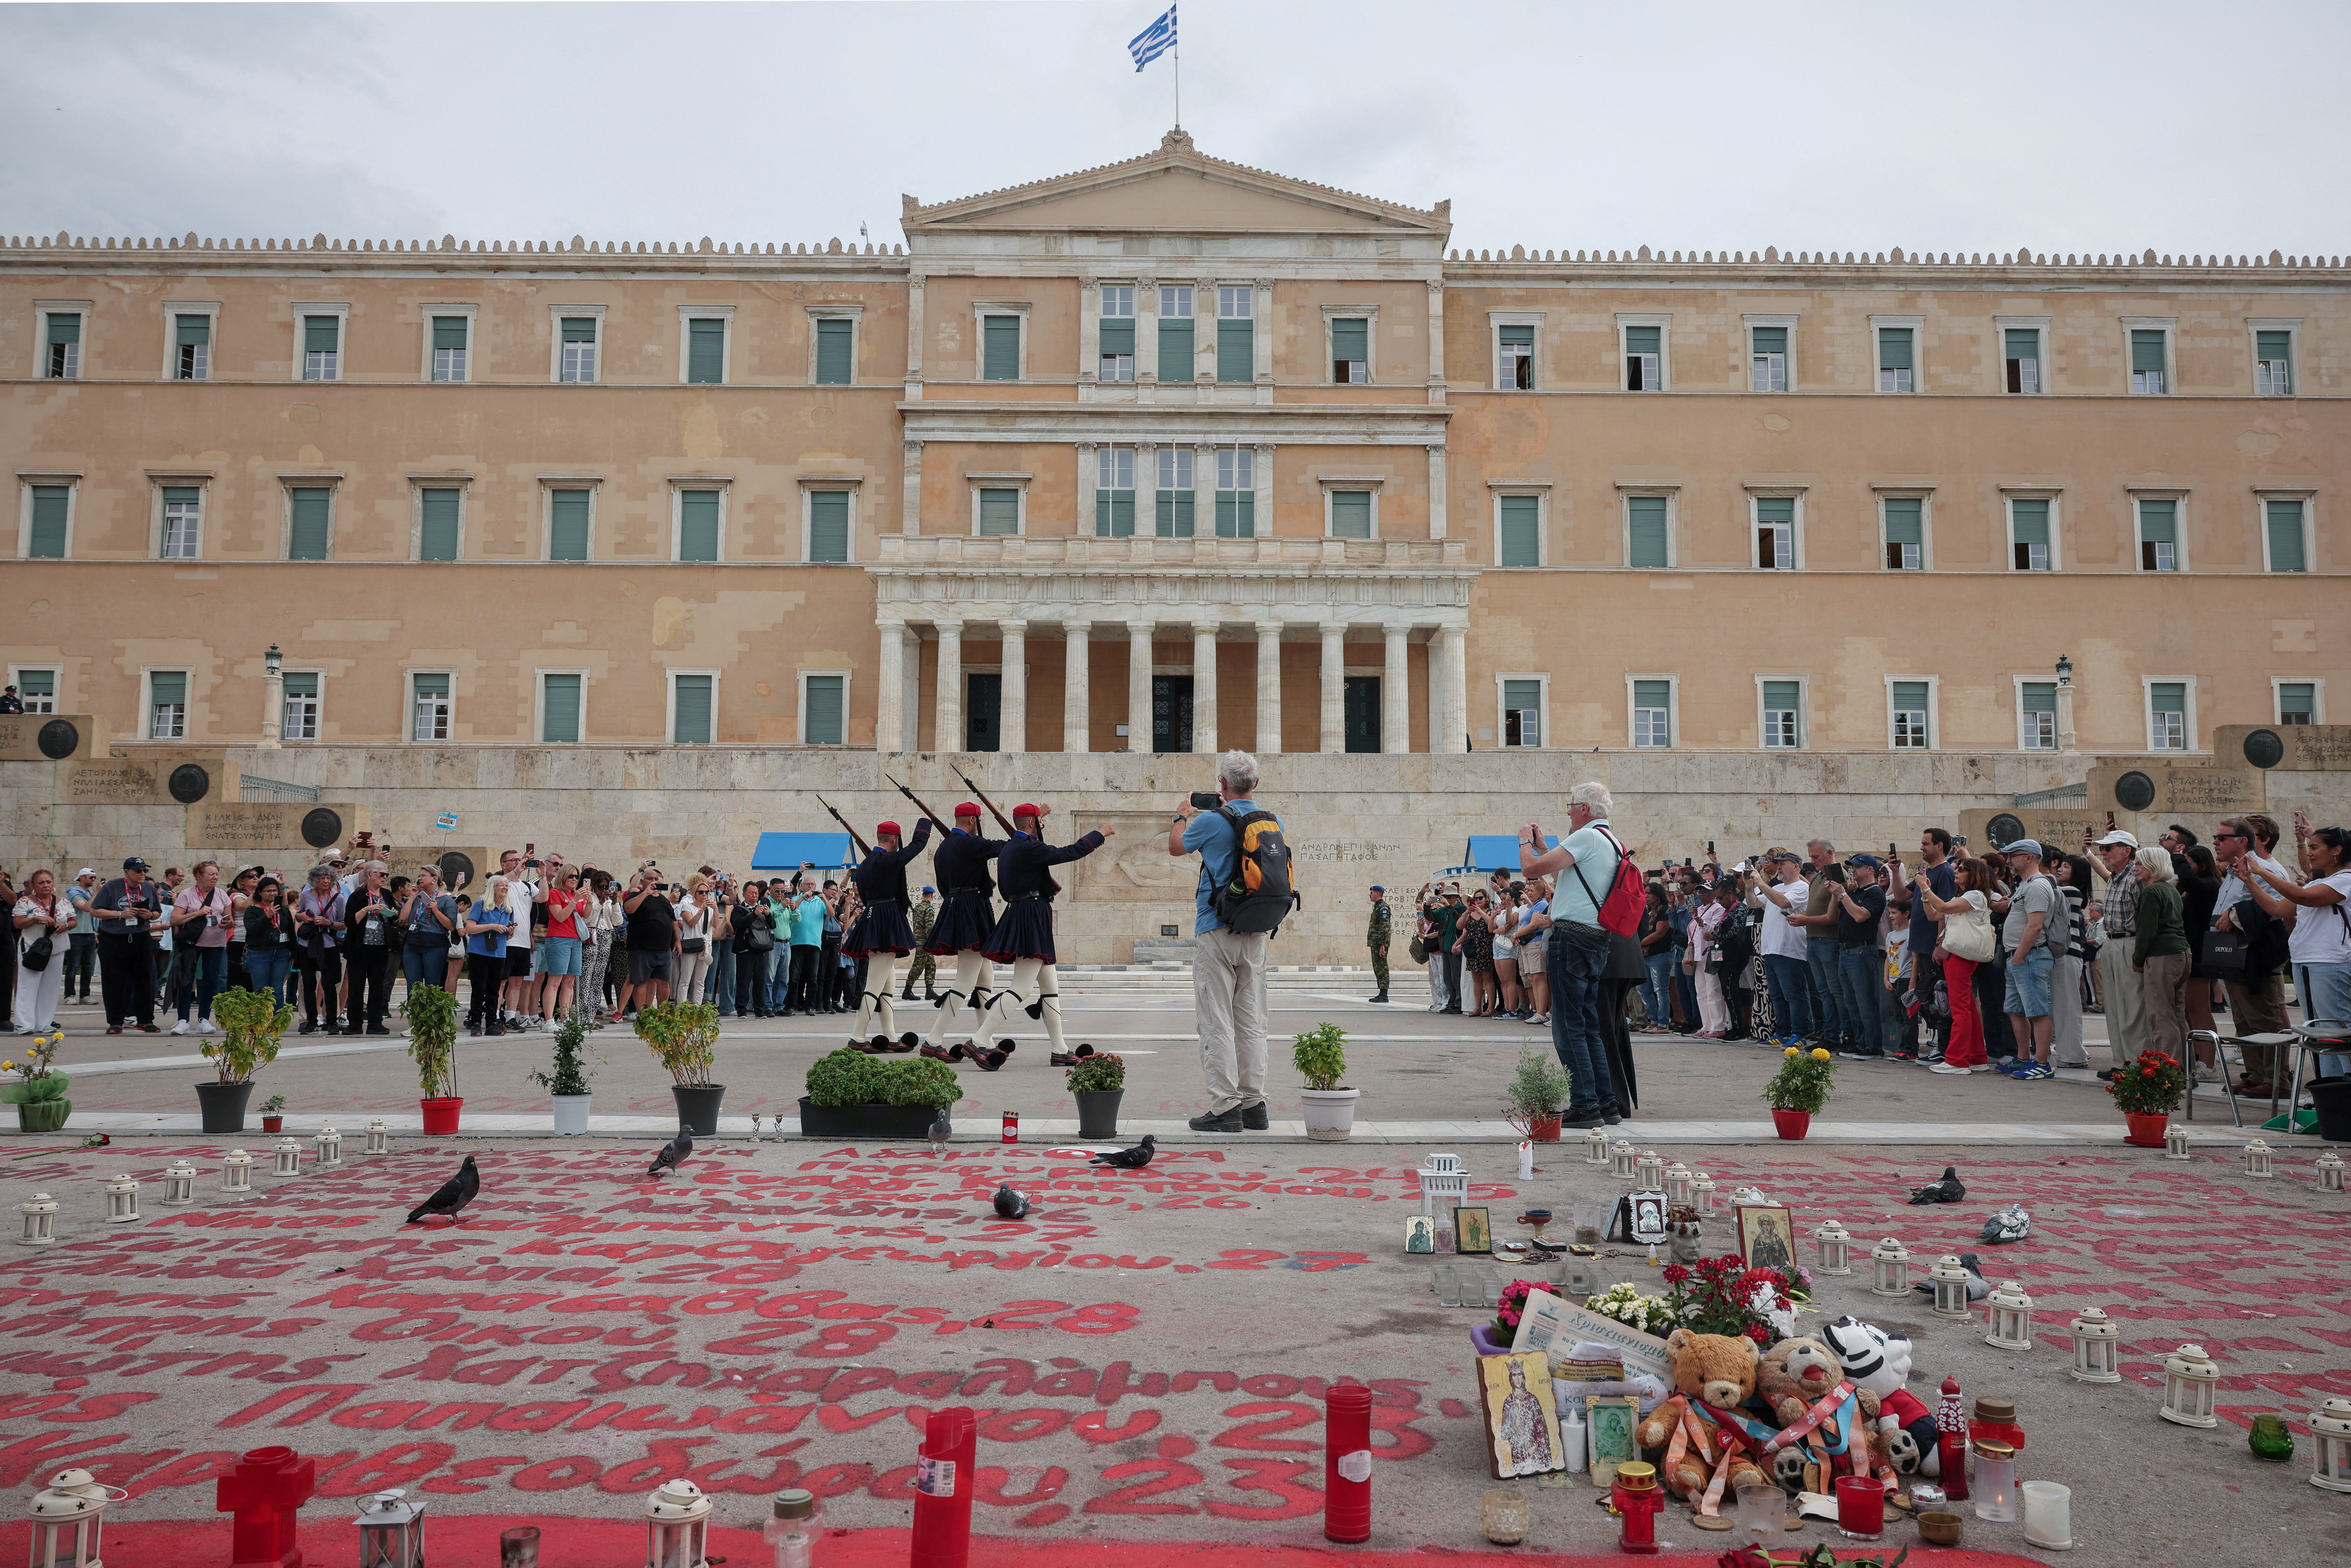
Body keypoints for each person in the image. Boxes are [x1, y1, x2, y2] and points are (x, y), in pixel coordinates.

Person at [1169, 751, 1278, 1129]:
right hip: (1256, 929)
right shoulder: (1271, 821)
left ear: (1223, 784)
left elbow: (1176, 846)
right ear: (1256, 784)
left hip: (1216, 928)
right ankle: (1254, 1105)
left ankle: (1225, 1107)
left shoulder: (1212, 820)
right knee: (1251, 1022)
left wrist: (1182, 815)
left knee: (1216, 1020)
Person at [1518, 780, 1626, 1130]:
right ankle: (1604, 1101)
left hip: (1572, 938)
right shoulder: (1609, 840)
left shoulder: (1585, 837)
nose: (1567, 812)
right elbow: (1569, 873)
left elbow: (1531, 870)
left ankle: (1584, 1103)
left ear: (1584, 808)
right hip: (1595, 938)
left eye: (1570, 805)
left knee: (1568, 1025)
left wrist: (1524, 842)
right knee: (1588, 1024)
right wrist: (1544, 847)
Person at [973, 801, 1111, 1065]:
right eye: (1039, 822)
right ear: (1033, 823)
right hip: (1032, 917)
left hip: (1023, 912)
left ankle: (1060, 1049)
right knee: (1022, 988)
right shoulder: (1030, 848)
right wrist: (1100, 834)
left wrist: (1041, 814)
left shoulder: (1010, 848)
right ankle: (979, 1039)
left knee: (1050, 989)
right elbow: (1069, 852)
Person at [2211, 814, 2293, 1093]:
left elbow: (2280, 906)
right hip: (2234, 953)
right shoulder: (2233, 871)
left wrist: (2235, 916)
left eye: (2222, 838)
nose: (2216, 842)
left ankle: (2276, 1080)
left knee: (2265, 1019)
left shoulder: (2265, 869)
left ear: (2242, 841)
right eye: (2216, 837)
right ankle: (2256, 1075)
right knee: (2244, 1020)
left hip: (2257, 956)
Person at [844, 816, 935, 1046]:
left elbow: (866, 896)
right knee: (874, 986)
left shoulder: (865, 865)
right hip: (886, 921)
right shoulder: (888, 860)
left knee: (887, 987)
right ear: (894, 839)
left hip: (874, 917)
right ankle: (857, 1036)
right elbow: (918, 846)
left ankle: (891, 1037)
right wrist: (926, 823)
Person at [2255, 820, 2351, 1030]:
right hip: (2304, 959)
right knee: (2315, 1028)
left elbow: (2304, 898)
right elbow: (2278, 909)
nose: (2309, 853)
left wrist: (2262, 872)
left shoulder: (2346, 880)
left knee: (2336, 1027)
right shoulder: (2317, 883)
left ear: (2336, 851)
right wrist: (2249, 880)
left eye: (2314, 848)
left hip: (2330, 961)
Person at [1921, 856, 1994, 1074]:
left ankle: (1957, 1061)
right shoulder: (1964, 896)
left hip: (1960, 956)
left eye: (1962, 869)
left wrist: (1925, 887)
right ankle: (1977, 1057)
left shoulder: (1974, 895)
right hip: (1959, 954)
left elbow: (1942, 906)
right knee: (1967, 1006)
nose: (1956, 871)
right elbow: (1935, 915)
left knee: (1960, 1007)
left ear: (1974, 875)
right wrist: (1925, 894)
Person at [1996, 839, 2062, 1080]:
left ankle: (2042, 1063)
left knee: (2037, 1011)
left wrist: (2019, 957)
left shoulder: (2037, 885)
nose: (2009, 861)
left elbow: (2035, 926)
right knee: (2015, 1011)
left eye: (2013, 856)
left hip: (2030, 956)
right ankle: (2023, 1058)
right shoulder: (2026, 884)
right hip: (2020, 956)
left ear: (2030, 858)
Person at [2088, 829, 2149, 1068]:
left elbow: (2145, 920)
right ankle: (2120, 1062)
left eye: (2108, 848)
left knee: (2132, 1006)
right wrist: (2087, 853)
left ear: (2127, 851)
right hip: (2112, 942)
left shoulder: (2136, 878)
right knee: (2113, 1007)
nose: (2103, 853)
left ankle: (2137, 1064)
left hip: (2129, 942)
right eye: (2102, 849)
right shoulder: (2115, 878)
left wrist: (2141, 954)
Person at [2131, 845, 2192, 1065]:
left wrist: (2138, 960)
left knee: (2161, 1015)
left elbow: (2147, 931)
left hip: (2162, 956)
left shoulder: (2151, 892)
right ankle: (2186, 1069)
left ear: (2153, 866)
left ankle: (2168, 1071)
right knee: (2177, 1014)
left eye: (2139, 864)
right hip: (2182, 953)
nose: (2135, 868)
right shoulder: (2171, 890)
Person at [1825, 855, 1888, 1059]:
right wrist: (1835, 895)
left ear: (1870, 870)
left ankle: (1873, 1046)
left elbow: (1861, 916)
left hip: (1861, 951)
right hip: (1845, 951)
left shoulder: (1875, 893)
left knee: (1865, 1001)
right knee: (1851, 1002)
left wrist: (1843, 894)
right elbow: (1833, 917)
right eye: (1852, 867)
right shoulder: (1854, 893)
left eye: (1857, 867)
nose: (1853, 870)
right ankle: (1860, 1043)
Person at [1789, 839, 1846, 1052]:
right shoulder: (1818, 877)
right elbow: (1814, 908)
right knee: (1823, 991)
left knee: (1834, 990)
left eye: (1816, 857)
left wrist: (1805, 920)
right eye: (1811, 857)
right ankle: (1830, 1034)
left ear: (1830, 853)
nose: (1813, 861)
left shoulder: (1837, 876)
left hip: (1828, 940)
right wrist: (1800, 917)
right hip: (1813, 939)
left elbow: (1835, 916)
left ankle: (1839, 1035)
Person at [1753, 851, 1813, 1046]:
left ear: (1796, 867)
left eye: (1782, 864)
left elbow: (1784, 903)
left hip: (1790, 949)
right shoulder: (1777, 887)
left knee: (1793, 995)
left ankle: (1799, 1034)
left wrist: (1761, 883)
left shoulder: (1802, 887)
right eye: (1777, 864)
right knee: (1777, 995)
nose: (1778, 868)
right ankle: (1782, 1033)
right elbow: (1754, 903)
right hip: (1771, 948)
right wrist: (1748, 886)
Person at [167, 860, 232, 1037]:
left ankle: (204, 1020)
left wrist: (228, 924)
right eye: (211, 874)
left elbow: (229, 919)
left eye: (217, 874)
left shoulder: (222, 895)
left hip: (216, 944)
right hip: (191, 944)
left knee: (211, 982)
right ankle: (183, 1020)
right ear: (199, 877)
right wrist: (197, 913)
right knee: (187, 980)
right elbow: (174, 920)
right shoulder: (187, 894)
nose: (215, 878)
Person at [12, 869, 74, 1036]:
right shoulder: (25, 902)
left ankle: (44, 1023)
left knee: (51, 986)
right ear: (33, 886)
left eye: (49, 882)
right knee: (28, 985)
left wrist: (65, 926)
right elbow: (18, 923)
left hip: (57, 947)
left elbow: (73, 921)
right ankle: (24, 1024)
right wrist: (35, 919)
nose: (46, 885)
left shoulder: (63, 902)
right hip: (32, 947)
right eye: (41, 883)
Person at [342, 860, 398, 1035]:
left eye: (386, 875)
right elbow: (350, 921)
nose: (385, 878)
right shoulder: (358, 896)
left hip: (380, 947)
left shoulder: (387, 894)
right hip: (359, 948)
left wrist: (393, 914)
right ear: (369, 874)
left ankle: (375, 1023)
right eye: (381, 874)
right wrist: (367, 909)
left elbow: (393, 919)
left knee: (377, 986)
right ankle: (355, 1024)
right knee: (357, 986)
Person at [292, 863, 348, 1035]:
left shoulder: (338, 898)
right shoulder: (306, 895)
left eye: (329, 878)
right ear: (315, 880)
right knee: (309, 984)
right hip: (308, 944)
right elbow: (299, 915)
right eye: (322, 878)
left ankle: (331, 1023)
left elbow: (343, 925)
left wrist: (328, 923)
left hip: (328, 945)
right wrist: (300, 916)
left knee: (330, 985)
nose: (326, 881)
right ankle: (311, 1022)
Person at [618, 867, 679, 1018]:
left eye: (656, 879)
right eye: (650, 879)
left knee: (664, 983)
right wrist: (646, 893)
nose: (654, 882)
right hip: (641, 948)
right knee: (641, 983)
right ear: (642, 881)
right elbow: (629, 909)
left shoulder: (663, 900)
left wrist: (678, 940)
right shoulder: (635, 895)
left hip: (663, 949)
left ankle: (663, 1014)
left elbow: (673, 920)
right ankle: (643, 1016)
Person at [463, 876, 515, 1035]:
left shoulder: (509, 909)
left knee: (495, 990)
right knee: (479, 989)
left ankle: (492, 1023)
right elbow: (470, 928)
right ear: (493, 887)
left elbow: (508, 936)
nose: (505, 888)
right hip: (479, 952)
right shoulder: (481, 905)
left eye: (507, 886)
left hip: (499, 953)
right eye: (501, 885)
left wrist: (511, 932)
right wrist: (492, 926)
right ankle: (476, 1022)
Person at [398, 865, 459, 998]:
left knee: (432, 984)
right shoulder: (418, 898)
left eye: (423, 876)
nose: (420, 879)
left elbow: (451, 926)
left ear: (434, 879)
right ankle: (415, 1010)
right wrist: (413, 897)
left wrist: (436, 911)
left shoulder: (447, 901)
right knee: (413, 985)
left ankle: (431, 1011)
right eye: (419, 876)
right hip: (413, 942)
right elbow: (403, 917)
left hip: (434, 944)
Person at [538, 867, 586, 1025]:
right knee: (555, 981)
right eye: (571, 876)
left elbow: (586, 916)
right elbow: (560, 917)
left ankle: (565, 1020)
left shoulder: (576, 895)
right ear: (563, 877)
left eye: (577, 877)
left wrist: (590, 901)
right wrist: (575, 901)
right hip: (559, 939)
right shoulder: (555, 893)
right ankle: (549, 1020)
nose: (574, 880)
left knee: (570, 982)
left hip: (576, 940)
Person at [240, 877, 296, 1003]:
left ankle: (278, 1016)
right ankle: (261, 1016)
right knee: (260, 990)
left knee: (277, 989)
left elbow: (291, 932)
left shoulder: (283, 910)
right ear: (260, 892)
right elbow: (252, 930)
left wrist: (294, 953)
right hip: (260, 954)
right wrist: (267, 916)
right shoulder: (253, 910)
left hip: (281, 953)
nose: (273, 894)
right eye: (269, 891)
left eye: (275, 891)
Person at [673, 873, 716, 1022]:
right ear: (695, 894)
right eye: (701, 892)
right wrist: (701, 910)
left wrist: (716, 909)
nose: (704, 895)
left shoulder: (710, 909)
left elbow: (715, 925)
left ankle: (697, 1010)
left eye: (707, 892)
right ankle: (681, 1010)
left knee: (700, 981)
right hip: (691, 944)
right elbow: (691, 923)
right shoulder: (687, 906)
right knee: (686, 979)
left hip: (706, 945)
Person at [62, 869, 98, 1004]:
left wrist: (95, 932)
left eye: (95, 877)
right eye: (91, 877)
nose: (94, 880)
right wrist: (97, 893)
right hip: (76, 934)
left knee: (88, 968)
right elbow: (86, 908)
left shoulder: (91, 893)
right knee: (73, 967)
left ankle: (85, 995)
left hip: (90, 934)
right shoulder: (74, 893)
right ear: (82, 878)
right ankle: (69, 995)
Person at [903, 886, 940, 1003]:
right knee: (918, 966)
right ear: (932, 896)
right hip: (925, 942)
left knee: (931, 965)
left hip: (919, 941)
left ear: (923, 895)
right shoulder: (929, 909)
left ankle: (930, 991)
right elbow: (929, 927)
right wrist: (932, 942)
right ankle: (907, 991)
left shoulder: (918, 907)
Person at [1365, 884, 1391, 1004]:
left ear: (1377, 894)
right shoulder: (1378, 907)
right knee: (1378, 968)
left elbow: (1385, 927)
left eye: (1372, 893)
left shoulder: (1383, 907)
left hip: (1380, 944)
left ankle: (1384, 995)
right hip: (1376, 943)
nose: (1370, 895)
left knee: (1382, 968)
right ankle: (1382, 993)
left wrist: (1382, 946)